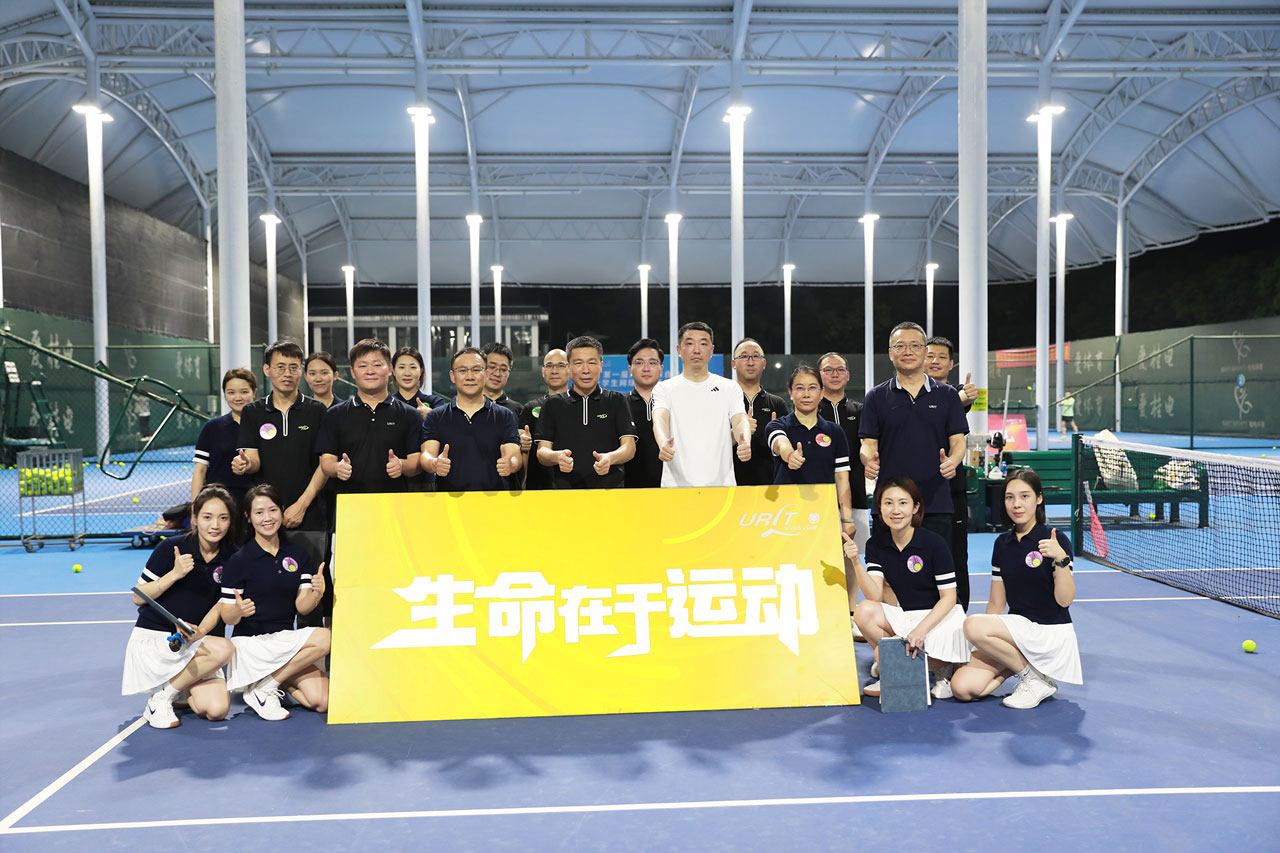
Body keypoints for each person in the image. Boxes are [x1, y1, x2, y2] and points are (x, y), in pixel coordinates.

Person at [951, 470, 1081, 709]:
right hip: (1017, 632)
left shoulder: (1055, 539)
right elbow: (996, 604)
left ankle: (1033, 678)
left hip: (1049, 631)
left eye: (1024, 496)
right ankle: (1030, 671)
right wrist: (983, 643)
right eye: (1009, 497)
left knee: (972, 625)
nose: (1016, 504)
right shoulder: (1002, 544)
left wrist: (1060, 559)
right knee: (962, 688)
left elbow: (1064, 601)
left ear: (1039, 498)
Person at [122, 486, 238, 729]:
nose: (215, 525)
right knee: (225, 648)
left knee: (217, 710)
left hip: (196, 644)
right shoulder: (170, 548)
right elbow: (138, 597)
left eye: (223, 518)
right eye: (207, 517)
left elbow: (220, 605)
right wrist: (174, 574)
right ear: (195, 518)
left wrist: (200, 631)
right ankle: (161, 699)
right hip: (159, 638)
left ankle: (179, 686)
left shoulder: (232, 557)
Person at [844, 476, 969, 699]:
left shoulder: (934, 543)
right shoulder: (876, 545)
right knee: (864, 611)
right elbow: (875, 595)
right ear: (880, 507)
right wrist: (855, 561)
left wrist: (921, 630)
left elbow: (949, 598)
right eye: (888, 503)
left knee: (892, 653)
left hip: (942, 616)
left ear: (915, 507)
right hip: (907, 616)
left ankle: (942, 670)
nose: (895, 510)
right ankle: (894, 665)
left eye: (903, 503)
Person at [219, 484, 331, 721]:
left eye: (272, 510)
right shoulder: (239, 560)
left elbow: (302, 607)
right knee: (325, 637)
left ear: (281, 511)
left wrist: (316, 593)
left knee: (322, 701)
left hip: (284, 642)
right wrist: (238, 611)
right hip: (251, 645)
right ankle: (267, 686)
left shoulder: (298, 554)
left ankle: (268, 684)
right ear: (248, 517)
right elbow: (227, 616)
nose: (267, 518)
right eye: (259, 512)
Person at [860, 322, 968, 548]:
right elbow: (868, 443)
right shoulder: (875, 397)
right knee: (888, 568)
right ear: (891, 353)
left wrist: (953, 461)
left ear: (925, 351)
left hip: (936, 502)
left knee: (937, 567)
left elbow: (958, 441)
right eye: (900, 346)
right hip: (890, 505)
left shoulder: (948, 395)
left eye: (915, 345)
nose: (907, 351)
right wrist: (868, 460)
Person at [234, 341, 329, 554]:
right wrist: (246, 464)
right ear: (267, 370)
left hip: (310, 518)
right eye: (280, 367)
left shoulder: (317, 411)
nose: (287, 373)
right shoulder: (252, 412)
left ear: (300, 371)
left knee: (312, 574)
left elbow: (325, 464)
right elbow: (253, 459)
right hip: (265, 519)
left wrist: (301, 506)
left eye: (293, 368)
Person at [652, 322, 751, 487]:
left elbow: (740, 419)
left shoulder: (729, 387)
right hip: (675, 488)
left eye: (703, 344)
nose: (696, 350)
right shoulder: (664, 388)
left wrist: (745, 441)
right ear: (679, 350)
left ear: (711, 350)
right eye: (690, 343)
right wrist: (663, 443)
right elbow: (659, 419)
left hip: (722, 487)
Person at [319, 339, 423, 495]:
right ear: (353, 372)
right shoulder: (335, 414)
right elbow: (326, 462)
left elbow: (416, 462)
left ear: (390, 369)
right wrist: (336, 468)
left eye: (377, 365)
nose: (370, 371)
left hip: (395, 502)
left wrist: (402, 465)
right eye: (362, 366)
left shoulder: (410, 415)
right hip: (349, 503)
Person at [764, 364, 856, 536]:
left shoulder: (835, 431)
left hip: (822, 513)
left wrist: (847, 518)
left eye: (812, 388)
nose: (806, 394)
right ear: (790, 393)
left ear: (822, 393)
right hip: (784, 515)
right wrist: (790, 455)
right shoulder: (777, 425)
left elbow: (842, 479)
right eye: (799, 388)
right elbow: (780, 442)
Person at [535, 335, 637, 489]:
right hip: (565, 493)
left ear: (601, 366)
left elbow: (629, 447)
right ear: (569, 367)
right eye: (578, 363)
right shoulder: (552, 404)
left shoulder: (616, 400)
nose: (586, 370)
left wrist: (610, 458)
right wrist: (557, 457)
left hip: (610, 492)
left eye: (592, 363)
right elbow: (542, 451)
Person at [420, 347, 522, 492]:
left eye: (476, 370)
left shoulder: (505, 416)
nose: (470, 377)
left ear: (486, 374)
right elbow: (427, 454)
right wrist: (434, 463)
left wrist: (511, 464)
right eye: (462, 371)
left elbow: (514, 455)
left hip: (495, 500)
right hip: (449, 500)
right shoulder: (435, 416)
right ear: (452, 376)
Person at [924, 335, 976, 611]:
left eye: (941, 357)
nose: (935, 361)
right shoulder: (910, 395)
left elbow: (960, 402)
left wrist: (963, 398)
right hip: (917, 490)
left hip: (951, 489)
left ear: (951, 363)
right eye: (930, 355)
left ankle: (958, 611)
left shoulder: (958, 395)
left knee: (956, 554)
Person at [192, 368, 256, 506]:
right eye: (231, 392)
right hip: (219, 505)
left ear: (254, 392)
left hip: (257, 506)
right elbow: (200, 470)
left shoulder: (265, 427)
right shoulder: (212, 428)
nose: (238, 398)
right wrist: (195, 508)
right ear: (225, 395)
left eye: (244, 392)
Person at [731, 338, 789, 486]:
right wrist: (737, 432)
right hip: (729, 487)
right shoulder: (722, 400)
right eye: (744, 356)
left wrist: (774, 435)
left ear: (764, 363)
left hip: (769, 488)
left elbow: (786, 447)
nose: (750, 362)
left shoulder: (777, 404)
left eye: (755, 356)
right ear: (733, 364)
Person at [518, 348, 570, 491]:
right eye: (549, 366)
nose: (554, 371)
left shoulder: (581, 407)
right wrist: (522, 444)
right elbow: (523, 453)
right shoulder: (530, 408)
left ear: (570, 370)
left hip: (573, 487)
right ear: (543, 371)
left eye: (561, 365)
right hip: (538, 488)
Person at [624, 338, 665, 489]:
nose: (646, 368)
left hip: (671, 487)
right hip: (630, 489)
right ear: (630, 369)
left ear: (661, 368)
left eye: (652, 363)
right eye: (639, 362)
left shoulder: (673, 403)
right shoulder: (620, 405)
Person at [392, 345, 449, 418]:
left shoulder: (436, 402)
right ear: (393, 371)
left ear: (421, 371)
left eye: (413, 367)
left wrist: (431, 416)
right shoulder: (386, 404)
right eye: (402, 367)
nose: (407, 373)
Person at [480, 342, 524, 420]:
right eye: (492, 367)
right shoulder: (468, 407)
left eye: (503, 369)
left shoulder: (518, 410)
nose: (497, 374)